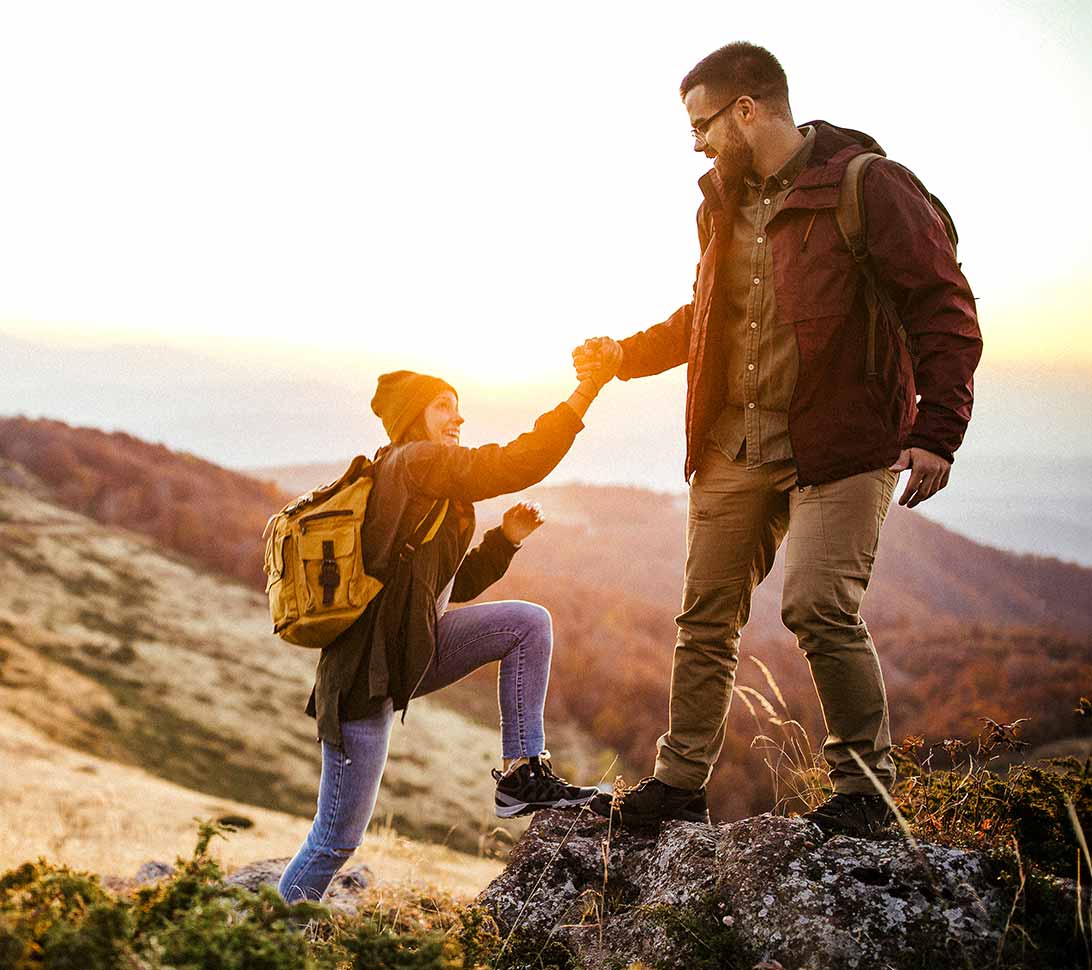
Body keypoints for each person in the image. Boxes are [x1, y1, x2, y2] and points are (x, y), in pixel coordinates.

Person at [573, 42, 982, 836]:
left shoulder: (868, 187)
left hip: (841, 443)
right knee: (703, 618)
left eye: (702, 125)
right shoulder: (719, 204)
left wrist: (939, 429)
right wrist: (627, 356)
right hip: (734, 443)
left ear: (748, 109)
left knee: (819, 607)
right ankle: (681, 783)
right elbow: (707, 316)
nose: (695, 142)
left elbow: (943, 304)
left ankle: (865, 792)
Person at [279, 369, 603, 903]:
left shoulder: (424, 483)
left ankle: (522, 775)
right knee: (335, 841)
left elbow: (446, 587)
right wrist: (583, 394)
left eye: (457, 406)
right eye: (443, 407)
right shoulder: (414, 463)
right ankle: (268, 945)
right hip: (363, 678)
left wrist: (505, 541)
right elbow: (518, 462)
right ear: (413, 419)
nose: (458, 418)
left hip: (411, 651)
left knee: (528, 623)